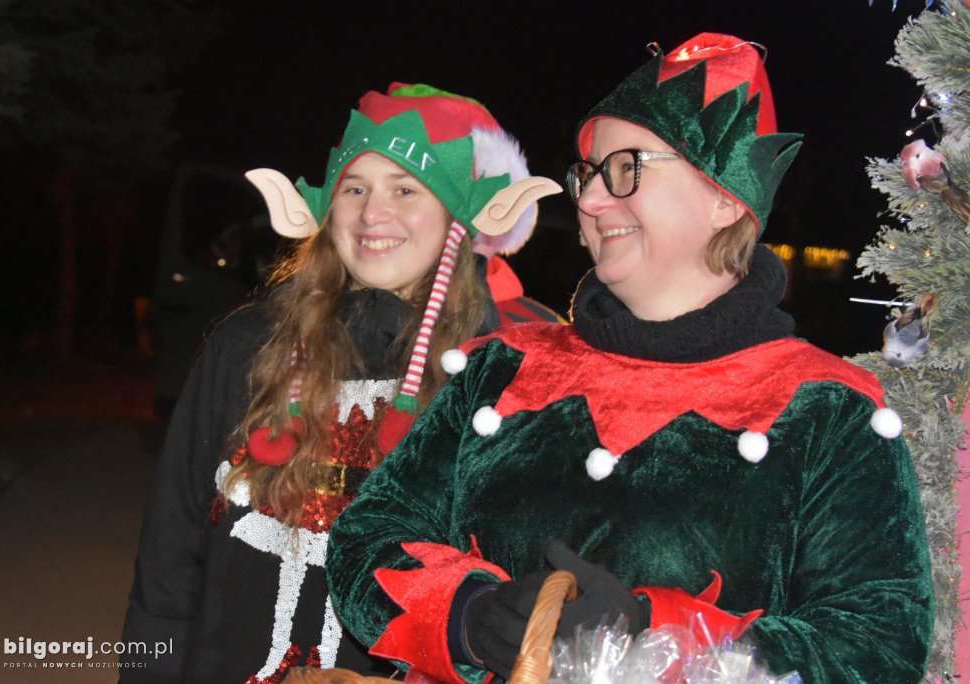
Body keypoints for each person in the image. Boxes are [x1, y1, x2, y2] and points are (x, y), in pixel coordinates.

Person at [326, 34, 934, 684]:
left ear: (727, 198)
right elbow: (369, 540)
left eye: (626, 168)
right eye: (587, 173)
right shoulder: (498, 368)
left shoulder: (830, 409)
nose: (588, 201)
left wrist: (654, 637)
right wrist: (470, 618)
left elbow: (877, 642)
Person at [118, 82, 560, 683]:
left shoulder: (516, 363)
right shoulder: (249, 344)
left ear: (461, 214)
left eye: (405, 188)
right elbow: (171, 555)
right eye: (355, 188)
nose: (372, 214)